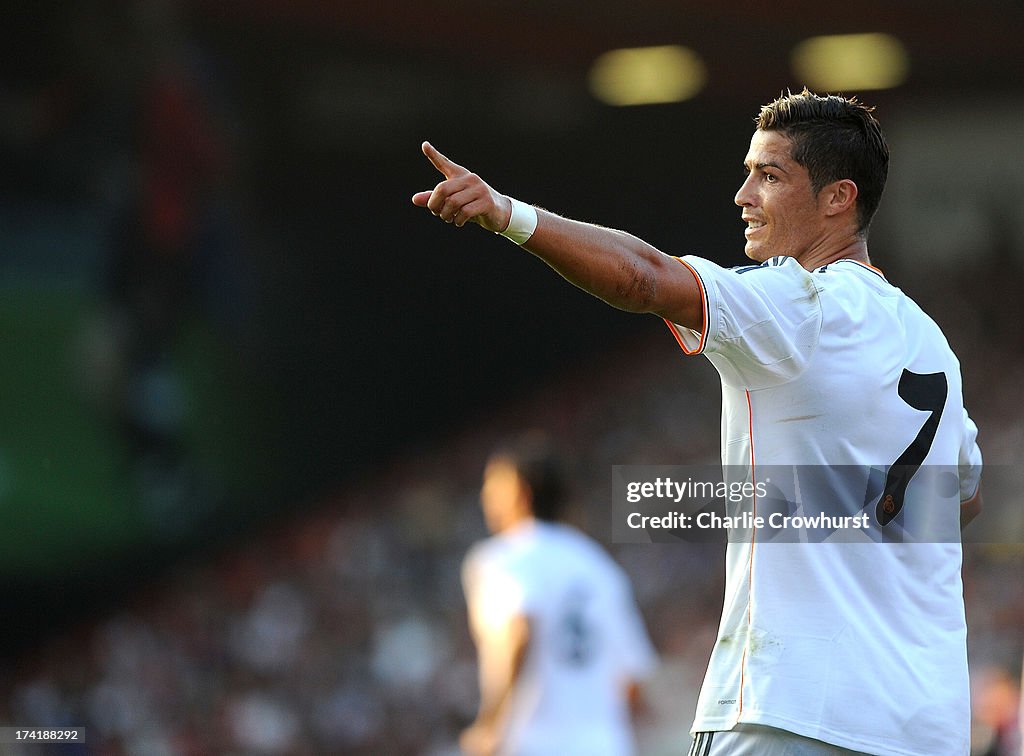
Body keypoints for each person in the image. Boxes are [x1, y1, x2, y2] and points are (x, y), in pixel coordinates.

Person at [414, 89, 984, 755]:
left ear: (838, 198)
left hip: (792, 712)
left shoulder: (800, 305)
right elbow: (962, 499)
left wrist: (509, 215)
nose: (743, 195)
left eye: (769, 176)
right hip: (924, 727)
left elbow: (646, 278)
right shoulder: (928, 341)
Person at [460, 433, 657, 756]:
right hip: (605, 746)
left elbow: (518, 632)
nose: (484, 495)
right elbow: (632, 679)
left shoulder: (501, 559)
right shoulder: (599, 565)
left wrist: (489, 725)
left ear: (518, 491)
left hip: (533, 744)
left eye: (492, 484)